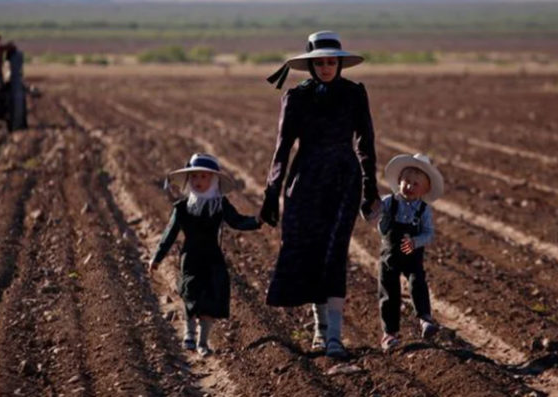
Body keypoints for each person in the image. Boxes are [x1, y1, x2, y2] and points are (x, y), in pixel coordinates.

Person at [261, 30, 379, 359]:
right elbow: (282, 148)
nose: (326, 67)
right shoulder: (296, 97)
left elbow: (365, 143)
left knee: (334, 255)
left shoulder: (355, 94)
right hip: (305, 182)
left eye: (331, 62)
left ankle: (335, 339)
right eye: (320, 62)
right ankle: (319, 330)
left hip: (343, 181)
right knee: (309, 252)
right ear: (311, 65)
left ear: (340, 63)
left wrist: (370, 186)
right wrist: (272, 192)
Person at [149, 153, 262, 356]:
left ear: (213, 180)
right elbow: (169, 233)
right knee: (191, 297)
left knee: (209, 301)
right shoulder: (182, 208)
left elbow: (238, 221)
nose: (198, 181)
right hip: (190, 259)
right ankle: (189, 335)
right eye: (194, 177)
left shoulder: (220, 205)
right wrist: (157, 258)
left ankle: (203, 342)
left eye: (204, 177)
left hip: (212, 259)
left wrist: (259, 221)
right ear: (188, 179)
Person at [376, 153, 444, 352]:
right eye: (407, 182)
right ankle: (389, 334)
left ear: (425, 189)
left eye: (416, 184)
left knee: (417, 282)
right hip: (389, 255)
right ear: (399, 181)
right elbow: (380, 227)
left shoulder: (423, 210)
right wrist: (381, 218)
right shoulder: (389, 202)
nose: (410, 187)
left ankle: (424, 319)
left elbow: (429, 233)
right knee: (389, 292)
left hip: (412, 255)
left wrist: (416, 241)